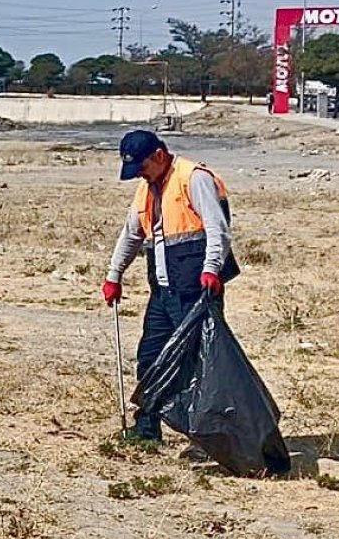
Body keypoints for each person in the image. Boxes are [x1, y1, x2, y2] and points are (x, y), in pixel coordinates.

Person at [101, 130, 240, 442]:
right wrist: (114, 275)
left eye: (142, 167)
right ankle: (147, 427)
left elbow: (218, 229)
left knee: (200, 365)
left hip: (197, 292)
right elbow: (131, 234)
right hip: (163, 293)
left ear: (159, 155)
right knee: (151, 358)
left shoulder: (194, 178)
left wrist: (211, 269)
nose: (140, 175)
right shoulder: (146, 188)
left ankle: (214, 437)